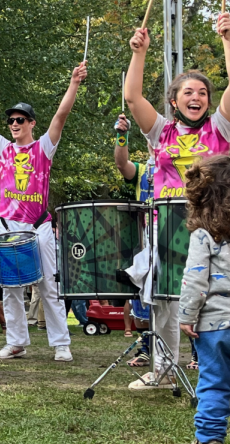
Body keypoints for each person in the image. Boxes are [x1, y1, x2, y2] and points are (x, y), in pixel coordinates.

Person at [124, 18, 230, 388]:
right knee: (164, 300)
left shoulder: (220, 127)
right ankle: (165, 369)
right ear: (174, 101)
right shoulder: (161, 131)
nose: (196, 97)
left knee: (220, 295)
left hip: (214, 226)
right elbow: (133, 98)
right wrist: (139, 53)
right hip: (166, 223)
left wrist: (228, 41)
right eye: (188, 92)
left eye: (202, 92)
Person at [0, 62, 85, 362]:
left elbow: (61, 116)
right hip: (8, 226)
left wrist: (73, 84)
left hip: (38, 225)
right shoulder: (1, 148)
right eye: (11, 120)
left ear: (31, 123)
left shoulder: (44, 147)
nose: (14, 123)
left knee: (49, 285)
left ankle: (60, 343)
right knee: (10, 287)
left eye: (21, 119)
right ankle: (16, 342)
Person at [178, 155, 230, 444]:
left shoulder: (204, 235)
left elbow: (195, 279)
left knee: (214, 385)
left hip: (213, 327)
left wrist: (186, 317)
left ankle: (210, 438)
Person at [114, 113, 154, 367]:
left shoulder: (186, 165)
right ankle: (146, 349)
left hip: (179, 237)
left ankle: (196, 353)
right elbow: (121, 164)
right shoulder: (142, 169)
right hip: (147, 237)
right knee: (143, 297)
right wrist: (121, 135)